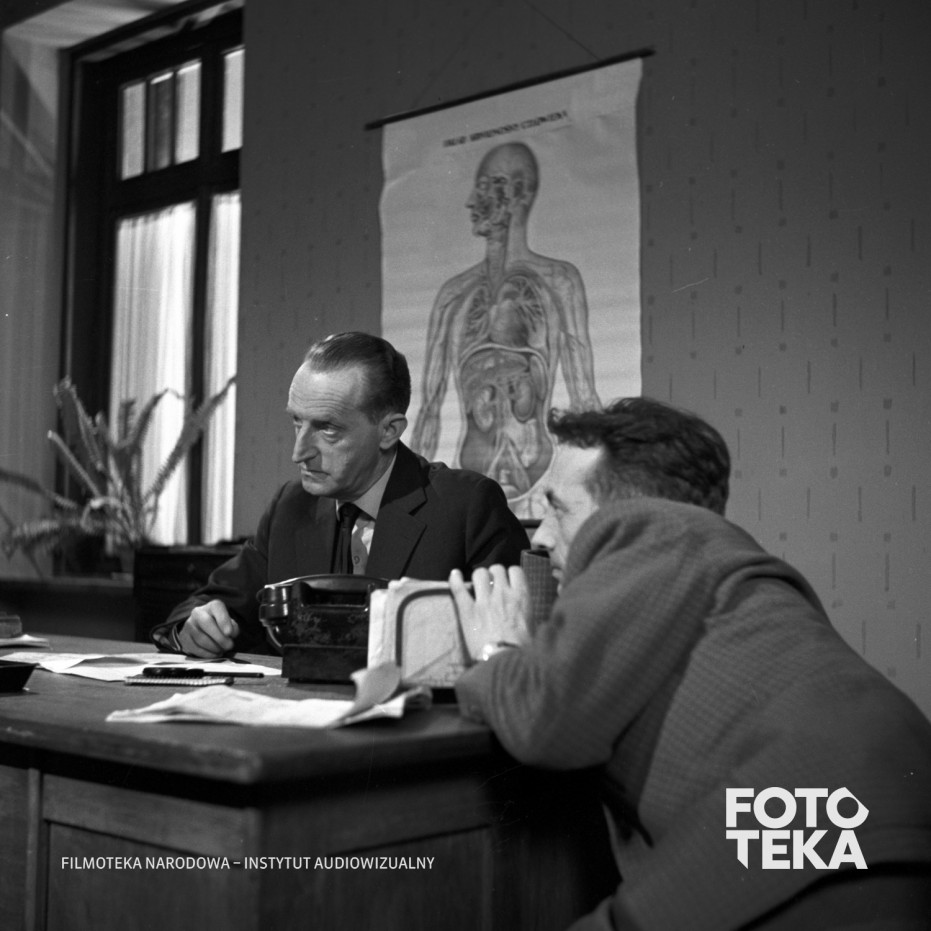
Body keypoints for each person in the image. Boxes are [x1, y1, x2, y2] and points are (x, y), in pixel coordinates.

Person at [449, 397, 931, 931]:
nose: (540, 536)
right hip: (880, 797)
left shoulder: (648, 531)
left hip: (815, 802)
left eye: (559, 508)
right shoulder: (705, 559)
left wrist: (497, 650)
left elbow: (543, 720)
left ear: (628, 510)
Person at [151, 331, 529, 657]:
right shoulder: (290, 507)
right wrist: (195, 628)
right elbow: (207, 605)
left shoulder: (466, 507)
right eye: (296, 422)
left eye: (327, 429)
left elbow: (510, 643)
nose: (299, 452)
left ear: (389, 431)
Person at [410, 141, 600, 518]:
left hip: (540, 486)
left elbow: (585, 401)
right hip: (467, 496)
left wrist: (595, 504)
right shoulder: (453, 295)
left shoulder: (559, 282)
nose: (470, 201)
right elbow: (428, 409)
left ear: (517, 193)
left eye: (484, 186)